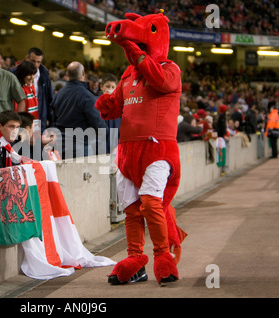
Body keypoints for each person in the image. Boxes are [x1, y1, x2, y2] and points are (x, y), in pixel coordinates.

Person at [96, 12, 186, 285]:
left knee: (150, 202)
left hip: (157, 149)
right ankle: (135, 260)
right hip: (127, 151)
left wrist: (131, 48)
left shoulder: (171, 69)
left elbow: (158, 79)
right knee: (131, 210)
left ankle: (162, 256)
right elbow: (116, 106)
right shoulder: (127, 75)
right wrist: (106, 104)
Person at [51, 61, 107, 159]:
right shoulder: (87, 96)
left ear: (67, 74)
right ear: (83, 74)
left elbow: (53, 118)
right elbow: (97, 122)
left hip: (60, 146)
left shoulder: (59, 94)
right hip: (80, 146)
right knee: (83, 173)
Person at [21, 47, 54, 132]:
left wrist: (51, 123)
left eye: (38, 62)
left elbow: (49, 100)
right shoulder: (15, 74)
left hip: (38, 121)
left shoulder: (45, 76)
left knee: (37, 144)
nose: (35, 65)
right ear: (26, 58)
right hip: (21, 122)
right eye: (33, 61)